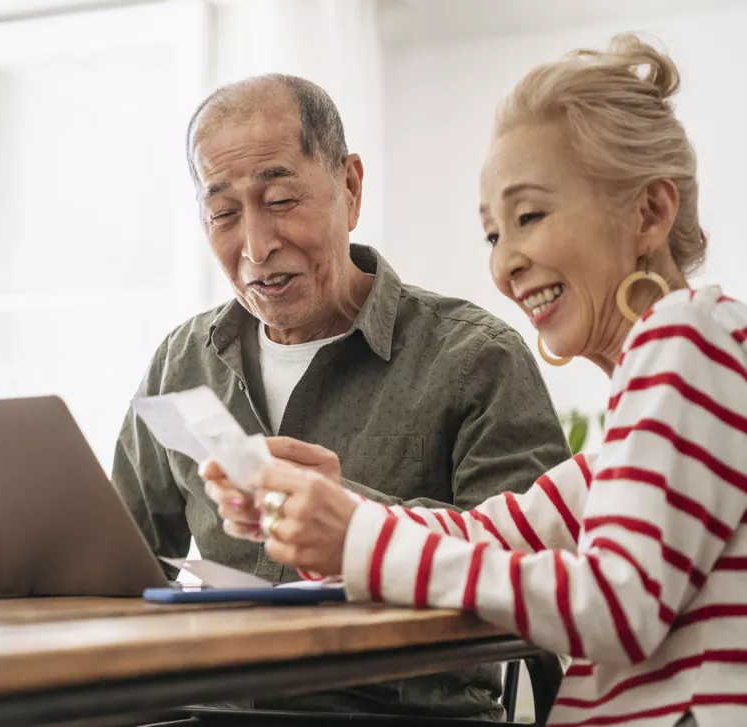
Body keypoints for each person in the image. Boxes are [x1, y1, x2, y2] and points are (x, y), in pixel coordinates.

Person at [205, 35, 747, 727]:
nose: (505, 265)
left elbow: (618, 604)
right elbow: (494, 530)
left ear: (649, 213)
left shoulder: (688, 339)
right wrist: (326, 515)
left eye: (529, 217)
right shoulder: (648, 404)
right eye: (494, 235)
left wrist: (356, 539)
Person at [112, 73, 571, 719]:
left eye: (280, 199)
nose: (254, 245)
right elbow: (118, 562)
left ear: (350, 187)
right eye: (222, 214)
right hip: (213, 710)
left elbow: (541, 574)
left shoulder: (474, 356)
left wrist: (352, 515)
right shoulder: (181, 360)